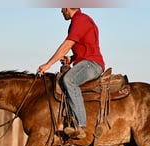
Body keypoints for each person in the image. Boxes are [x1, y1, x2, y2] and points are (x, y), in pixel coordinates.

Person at [37, 8, 105, 139]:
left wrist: (48, 64)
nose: (61, 11)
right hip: (88, 62)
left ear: (68, 8)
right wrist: (71, 58)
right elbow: (87, 47)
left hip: (92, 64)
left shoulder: (80, 20)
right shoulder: (82, 20)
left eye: (62, 8)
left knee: (69, 80)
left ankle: (80, 125)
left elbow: (67, 44)